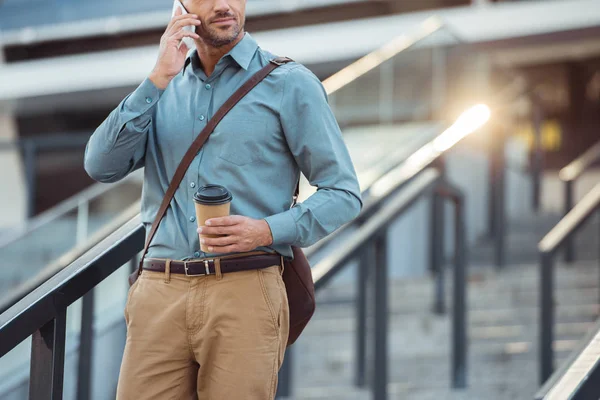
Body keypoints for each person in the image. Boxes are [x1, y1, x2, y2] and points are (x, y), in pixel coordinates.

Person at [84, 0, 362, 398]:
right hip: (159, 290)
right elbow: (100, 165)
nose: (224, 5)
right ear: (181, 6)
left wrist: (266, 230)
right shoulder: (163, 88)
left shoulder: (289, 82)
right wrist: (157, 78)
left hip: (245, 288)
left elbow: (344, 192)